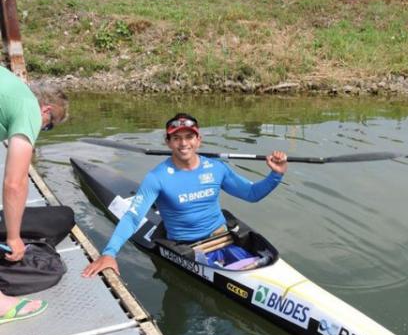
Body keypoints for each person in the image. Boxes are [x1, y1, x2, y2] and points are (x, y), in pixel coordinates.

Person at [82, 112, 288, 277]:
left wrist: (275, 175)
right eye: (176, 138)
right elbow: (133, 216)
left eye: (189, 137)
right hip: (187, 249)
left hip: (223, 238)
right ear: (168, 142)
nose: (183, 144)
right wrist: (109, 253)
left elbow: (252, 194)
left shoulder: (217, 168)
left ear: (199, 140)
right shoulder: (157, 177)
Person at [0, 66, 69, 323]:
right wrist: (15, 237)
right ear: (46, 110)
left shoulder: (8, 86)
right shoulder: (28, 107)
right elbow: (15, 183)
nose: (42, 131)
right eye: (48, 127)